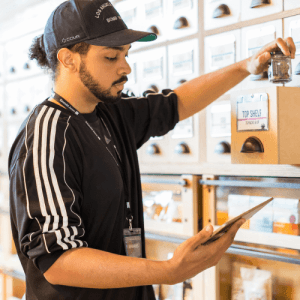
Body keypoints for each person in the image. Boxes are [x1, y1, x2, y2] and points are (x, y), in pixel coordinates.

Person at [8, 0, 296, 299]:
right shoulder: (47, 135)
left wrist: (246, 66)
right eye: (110, 57)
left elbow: (176, 103)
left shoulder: (108, 112)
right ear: (68, 59)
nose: (126, 67)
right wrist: (169, 271)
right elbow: (57, 260)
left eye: (126, 55)